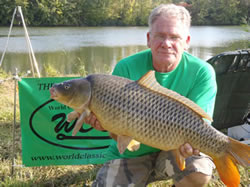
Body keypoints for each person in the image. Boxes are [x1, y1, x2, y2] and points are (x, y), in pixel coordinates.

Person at [85, 3, 217, 187]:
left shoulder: (202, 72)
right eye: (160, 36)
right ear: (149, 38)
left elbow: (201, 126)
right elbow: (118, 134)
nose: (166, 43)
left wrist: (193, 146)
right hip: (131, 155)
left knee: (198, 170)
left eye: (174, 37)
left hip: (175, 150)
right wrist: (106, 125)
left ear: (187, 41)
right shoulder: (126, 67)